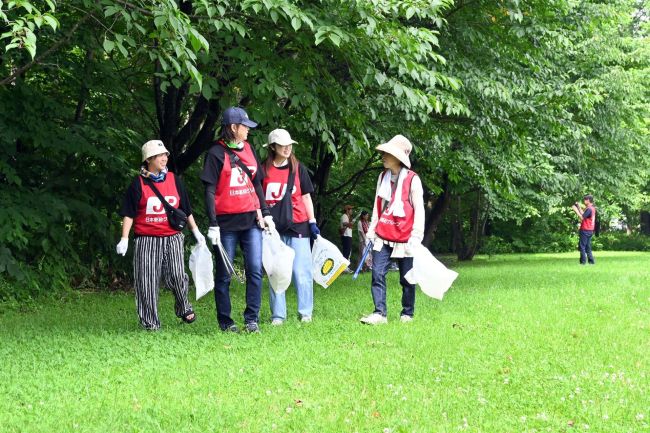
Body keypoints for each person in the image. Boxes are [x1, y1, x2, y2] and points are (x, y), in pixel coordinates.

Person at [200, 107, 276, 333]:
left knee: (254, 270)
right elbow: (209, 191)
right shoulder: (215, 153)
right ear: (233, 128)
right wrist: (212, 223)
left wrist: (266, 213)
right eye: (245, 127)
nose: (248, 130)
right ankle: (226, 321)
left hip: (251, 221)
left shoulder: (250, 149)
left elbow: (256, 183)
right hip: (225, 225)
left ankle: (251, 319)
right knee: (224, 274)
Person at [116, 140, 205, 330]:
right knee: (146, 281)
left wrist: (195, 231)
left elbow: (186, 208)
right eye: (159, 155)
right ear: (149, 159)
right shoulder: (138, 184)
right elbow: (129, 213)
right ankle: (150, 322)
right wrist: (124, 238)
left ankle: (183, 307)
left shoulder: (174, 180)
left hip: (172, 237)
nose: (164, 158)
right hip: (146, 239)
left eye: (165, 155)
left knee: (177, 276)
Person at [360, 135, 425, 325]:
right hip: (383, 233)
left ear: (398, 157)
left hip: (406, 236)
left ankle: (407, 313)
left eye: (388, 153)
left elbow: (419, 209)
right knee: (377, 272)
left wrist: (416, 236)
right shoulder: (382, 177)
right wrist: (371, 231)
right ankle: (380, 313)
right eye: (384, 153)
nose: (383, 156)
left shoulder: (413, 180)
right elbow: (377, 206)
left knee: (407, 278)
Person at [261, 129, 320, 325]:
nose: (287, 148)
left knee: (301, 270)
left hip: (298, 225)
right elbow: (258, 199)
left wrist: (312, 222)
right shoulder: (264, 169)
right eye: (282, 145)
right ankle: (278, 315)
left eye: (289, 144)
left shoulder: (298, 169)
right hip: (273, 228)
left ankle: (306, 313)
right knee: (275, 271)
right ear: (272, 147)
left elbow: (306, 196)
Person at [572, 194, 596, 265]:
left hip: (585, 229)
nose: (584, 201)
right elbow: (583, 214)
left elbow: (582, 217)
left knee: (582, 246)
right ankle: (591, 262)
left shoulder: (589, 209)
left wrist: (575, 210)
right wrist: (578, 207)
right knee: (588, 246)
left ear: (588, 200)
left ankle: (583, 262)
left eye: (585, 199)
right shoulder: (592, 208)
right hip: (590, 230)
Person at [340, 204, 354, 270]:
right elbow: (344, 223)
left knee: (348, 251)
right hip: (346, 235)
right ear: (347, 210)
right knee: (346, 251)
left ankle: (346, 266)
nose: (352, 211)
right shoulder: (344, 216)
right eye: (350, 209)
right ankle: (344, 267)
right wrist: (351, 223)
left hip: (348, 236)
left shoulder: (348, 217)